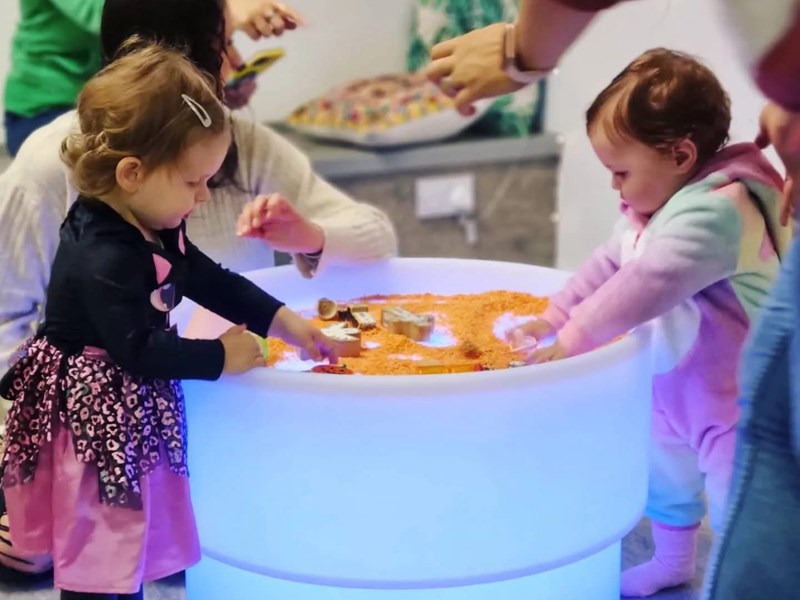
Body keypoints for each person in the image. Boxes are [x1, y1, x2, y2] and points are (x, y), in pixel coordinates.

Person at [0, 0, 396, 578]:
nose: (205, 196)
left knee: (134, 545)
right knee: (102, 557)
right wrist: (220, 356)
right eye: (194, 182)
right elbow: (134, 347)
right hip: (94, 423)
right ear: (135, 169)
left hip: (155, 412)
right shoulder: (101, 245)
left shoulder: (158, 216)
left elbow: (211, 280)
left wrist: (287, 318)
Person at [505, 49, 785, 597]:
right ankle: (674, 561)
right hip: (674, 385)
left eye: (621, 172)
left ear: (680, 155)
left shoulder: (719, 211)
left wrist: (573, 339)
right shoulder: (651, 210)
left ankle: (736, 582)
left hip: (735, 398)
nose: (614, 187)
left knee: (736, 498)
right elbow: (608, 265)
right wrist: (552, 316)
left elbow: (648, 283)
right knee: (665, 480)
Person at [2, 0, 301, 156]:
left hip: (130, 106)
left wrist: (213, 85)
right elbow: (118, 14)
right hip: (49, 108)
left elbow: (169, 32)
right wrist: (220, 8)